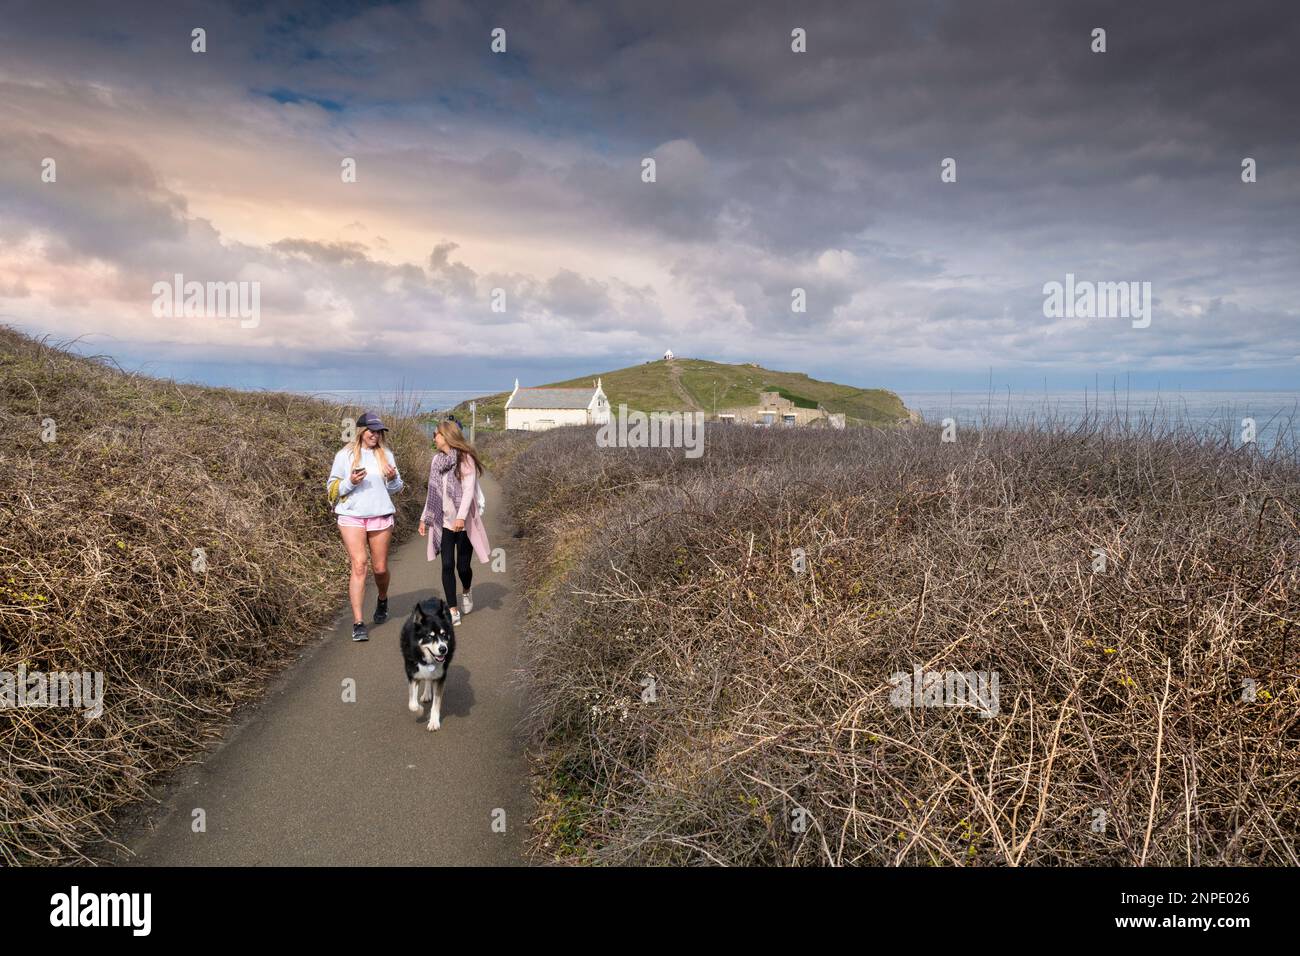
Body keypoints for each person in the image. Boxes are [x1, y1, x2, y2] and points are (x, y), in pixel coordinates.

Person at [327, 411, 403, 641]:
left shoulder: (386, 454)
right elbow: (331, 487)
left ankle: (382, 598)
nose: (376, 435)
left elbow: (397, 487)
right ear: (361, 431)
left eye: (379, 431)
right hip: (351, 515)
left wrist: (392, 479)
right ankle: (358, 622)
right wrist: (350, 482)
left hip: (380, 514)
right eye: (371, 431)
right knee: (359, 565)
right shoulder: (345, 455)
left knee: (379, 568)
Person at [419, 420, 490, 625]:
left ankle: (466, 590)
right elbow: (432, 492)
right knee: (447, 564)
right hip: (443, 521)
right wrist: (425, 518)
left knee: (463, 567)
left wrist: (461, 516)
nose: (434, 438)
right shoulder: (436, 461)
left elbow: (468, 490)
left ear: (447, 436)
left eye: (436, 434)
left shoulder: (465, 459)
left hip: (464, 521)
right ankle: (452, 608)